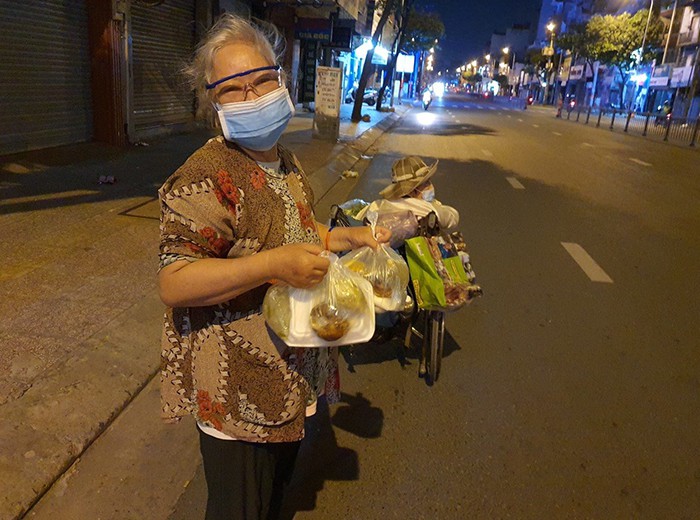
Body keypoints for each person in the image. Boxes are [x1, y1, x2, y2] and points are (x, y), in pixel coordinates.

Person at [157, 14, 389, 520]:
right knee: (241, 508)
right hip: (238, 388)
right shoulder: (203, 175)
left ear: (282, 81)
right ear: (212, 102)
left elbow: (297, 236)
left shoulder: (284, 160)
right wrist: (271, 266)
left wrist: (347, 237)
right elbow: (174, 282)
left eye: (263, 80)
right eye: (234, 89)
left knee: (275, 499)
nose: (254, 96)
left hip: (290, 373)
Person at [356, 155, 459, 232]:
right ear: (413, 190)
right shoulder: (422, 207)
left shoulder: (378, 204)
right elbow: (452, 217)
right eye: (426, 183)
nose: (430, 186)